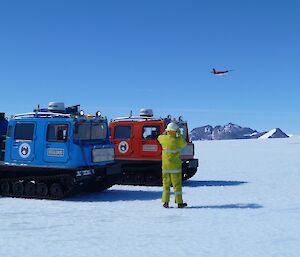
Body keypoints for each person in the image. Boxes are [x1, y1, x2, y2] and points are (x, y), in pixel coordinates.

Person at [157, 122, 187, 208]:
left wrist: (165, 133)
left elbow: (159, 137)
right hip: (175, 167)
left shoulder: (163, 139)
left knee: (166, 185)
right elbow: (184, 143)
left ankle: (165, 203)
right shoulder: (178, 141)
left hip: (165, 167)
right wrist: (179, 134)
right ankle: (179, 203)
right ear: (175, 131)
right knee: (177, 185)